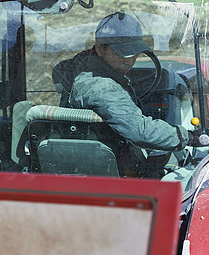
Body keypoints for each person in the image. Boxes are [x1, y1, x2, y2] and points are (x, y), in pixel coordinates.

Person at [52, 12, 192, 176]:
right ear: (100, 48)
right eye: (121, 53)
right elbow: (140, 131)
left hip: (89, 157)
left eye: (134, 52)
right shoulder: (103, 87)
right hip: (113, 168)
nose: (129, 60)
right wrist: (185, 136)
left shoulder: (76, 69)